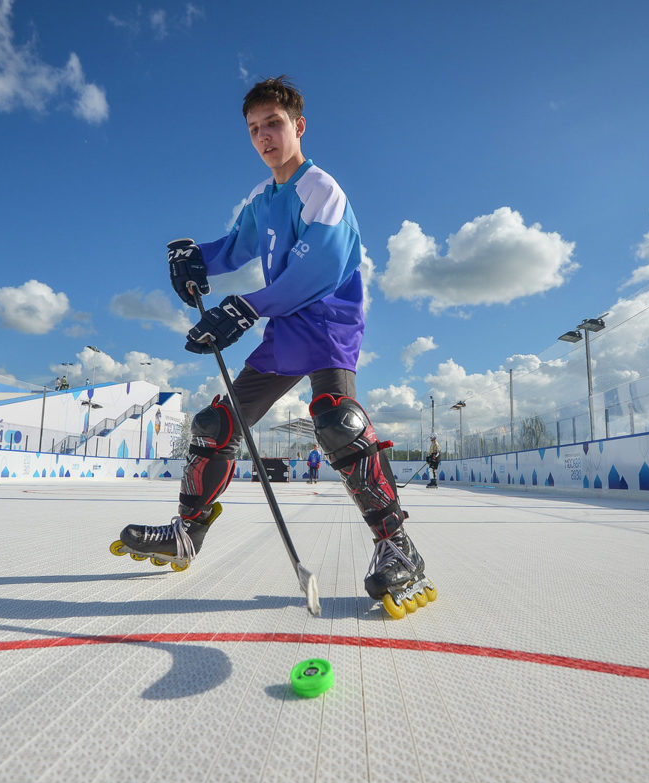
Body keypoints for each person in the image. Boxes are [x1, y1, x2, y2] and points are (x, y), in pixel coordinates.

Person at [113, 75, 432, 615]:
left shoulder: (321, 189)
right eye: (255, 129)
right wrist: (198, 260)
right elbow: (233, 249)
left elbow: (321, 268)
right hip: (284, 325)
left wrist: (247, 306)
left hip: (328, 320)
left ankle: (396, 546)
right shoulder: (262, 198)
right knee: (217, 425)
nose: (265, 137)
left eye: (274, 124)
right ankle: (187, 532)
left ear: (298, 126)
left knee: (337, 421)